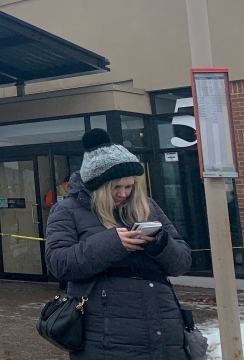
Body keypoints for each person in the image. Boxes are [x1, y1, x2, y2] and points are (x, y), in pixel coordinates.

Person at [45, 129, 192, 360]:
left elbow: (182, 262)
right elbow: (58, 264)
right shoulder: (67, 210)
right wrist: (113, 243)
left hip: (164, 330)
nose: (124, 194)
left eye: (129, 186)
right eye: (116, 187)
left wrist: (159, 243)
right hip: (105, 337)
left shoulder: (148, 206)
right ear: (98, 186)